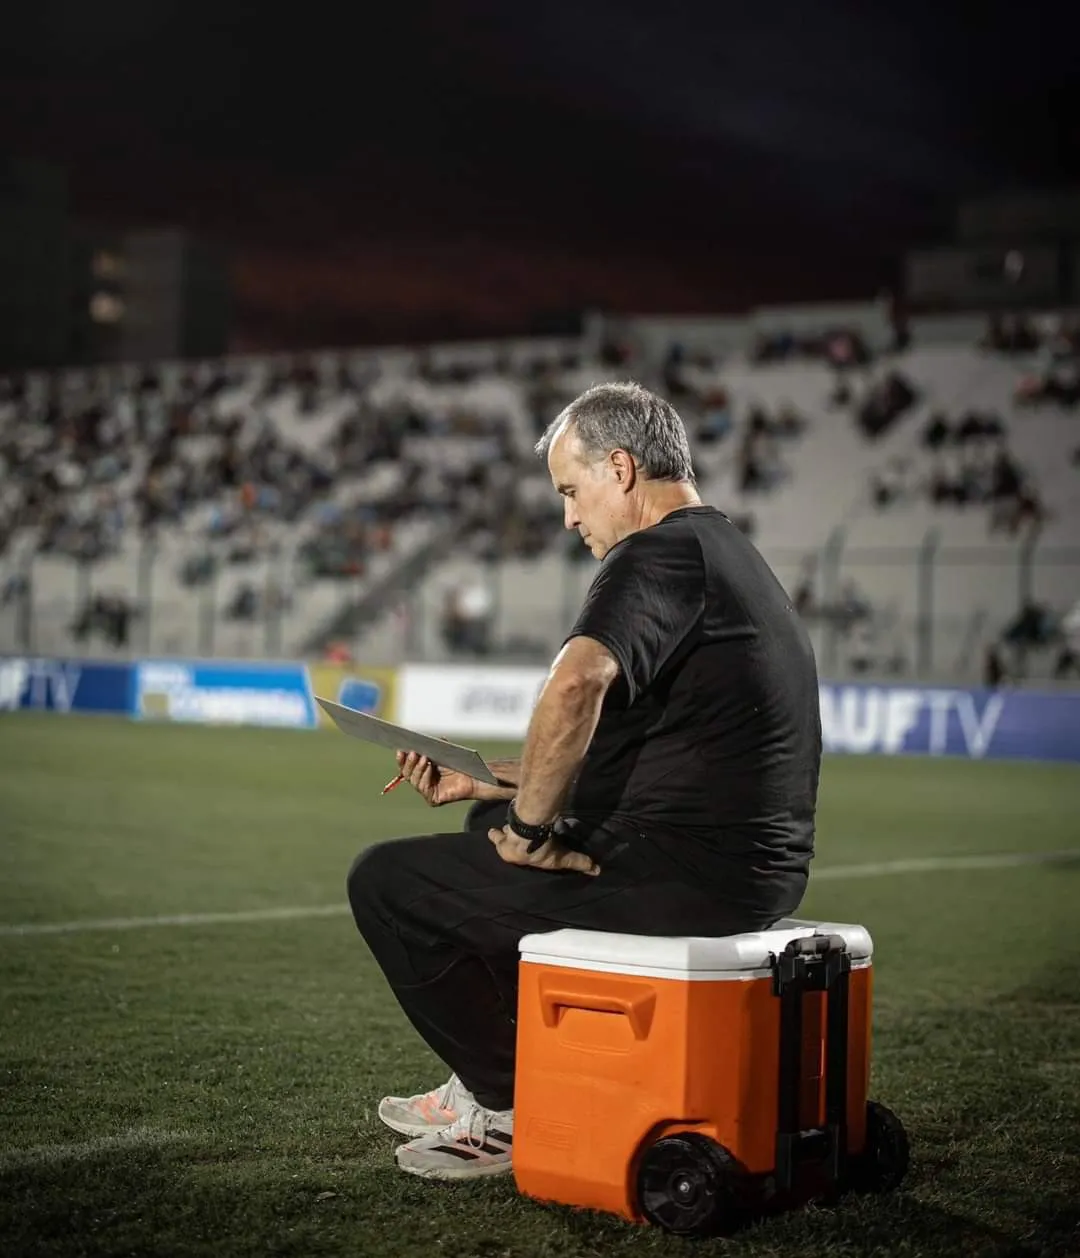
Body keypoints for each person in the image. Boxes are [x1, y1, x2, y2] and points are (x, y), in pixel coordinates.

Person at [346, 381, 822, 1181]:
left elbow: (576, 684)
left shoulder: (659, 551)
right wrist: (489, 783)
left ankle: (509, 1103)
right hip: (732, 864)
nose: (569, 518)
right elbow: (646, 756)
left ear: (621, 470)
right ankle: (499, 1070)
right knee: (480, 831)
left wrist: (530, 831)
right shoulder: (722, 551)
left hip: (695, 875)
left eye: (571, 491)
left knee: (386, 882)